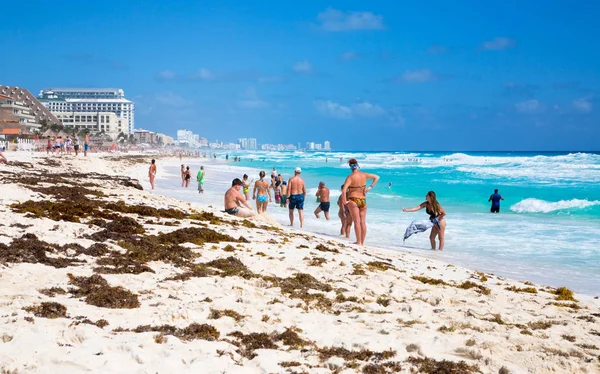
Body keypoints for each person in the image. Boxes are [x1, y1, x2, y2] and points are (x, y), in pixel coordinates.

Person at [341, 158, 380, 246]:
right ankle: (362, 242)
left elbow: (344, 190)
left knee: (357, 222)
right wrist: (370, 188)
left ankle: (358, 241)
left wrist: (344, 201)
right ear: (358, 166)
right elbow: (377, 177)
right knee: (363, 222)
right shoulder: (364, 175)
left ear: (351, 168)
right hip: (363, 200)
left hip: (353, 200)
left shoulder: (350, 177)